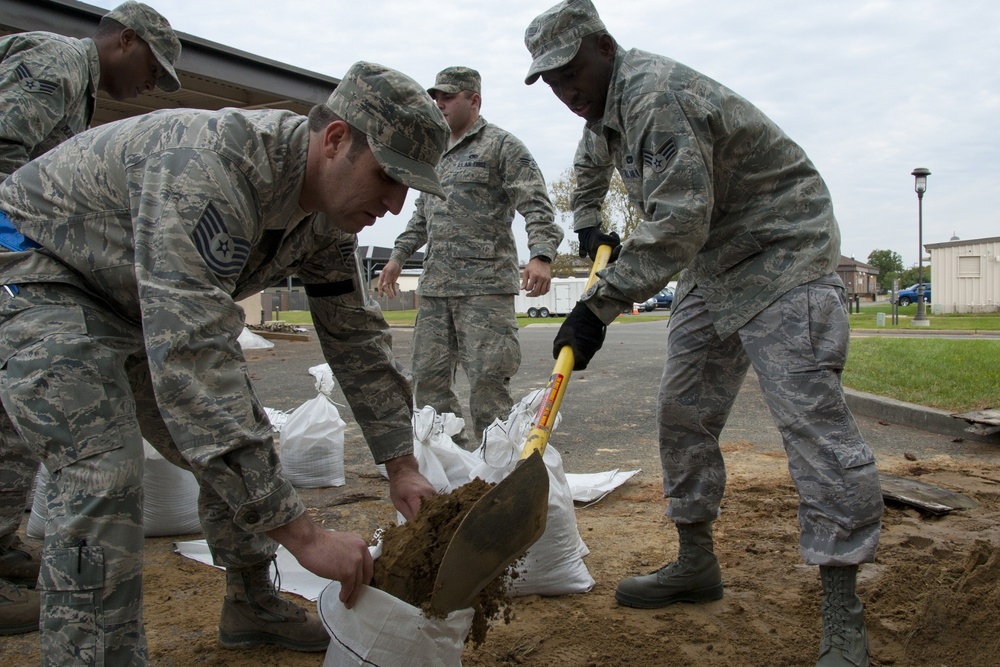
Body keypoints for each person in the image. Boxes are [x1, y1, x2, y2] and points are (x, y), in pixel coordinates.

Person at [0, 60, 446, 664]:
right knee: (103, 469)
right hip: (38, 271)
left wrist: (401, 464)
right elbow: (192, 355)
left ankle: (251, 604)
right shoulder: (211, 165)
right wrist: (304, 536)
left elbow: (356, 339)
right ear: (336, 140)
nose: (395, 205)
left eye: (408, 189)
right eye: (388, 176)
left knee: (240, 440)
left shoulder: (326, 223)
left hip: (131, 302)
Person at [523, 2, 884, 666]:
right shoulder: (601, 110)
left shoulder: (655, 92)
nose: (567, 92)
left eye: (572, 72)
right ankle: (695, 562)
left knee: (810, 423)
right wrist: (585, 224)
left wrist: (596, 305)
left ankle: (843, 610)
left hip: (782, 252)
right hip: (715, 262)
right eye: (552, 82)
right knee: (682, 408)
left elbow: (679, 221)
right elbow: (587, 167)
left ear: (604, 47)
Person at [0, 0, 182, 636]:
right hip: (10, 268)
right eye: (153, 68)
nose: (151, 85)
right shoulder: (55, 64)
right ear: (125, 39)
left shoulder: (74, 87)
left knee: (17, 417)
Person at [377, 66, 563, 448]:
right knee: (427, 382)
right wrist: (398, 256)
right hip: (436, 290)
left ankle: (497, 465)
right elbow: (420, 218)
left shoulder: (501, 146)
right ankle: (454, 462)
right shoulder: (436, 154)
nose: (439, 103)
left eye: (448, 96)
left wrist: (541, 255)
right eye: (437, 97)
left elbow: (536, 202)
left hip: (484, 289)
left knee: (487, 385)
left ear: (474, 100)